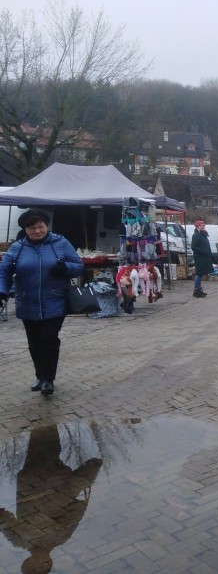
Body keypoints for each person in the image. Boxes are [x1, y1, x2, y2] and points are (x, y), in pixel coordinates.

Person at [0, 209, 84, 396]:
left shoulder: (60, 243)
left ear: (47, 226)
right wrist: (2, 291)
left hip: (55, 301)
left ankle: (48, 379)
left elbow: (79, 266)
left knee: (49, 339)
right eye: (32, 228)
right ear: (25, 229)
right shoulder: (17, 247)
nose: (37, 231)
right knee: (34, 342)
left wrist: (65, 268)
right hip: (27, 301)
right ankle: (40, 376)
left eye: (41, 227)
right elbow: (4, 271)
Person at [0, 424, 103, 573]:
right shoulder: (60, 537)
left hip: (34, 479)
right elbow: (77, 511)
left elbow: (4, 520)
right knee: (45, 448)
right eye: (41, 566)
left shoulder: (20, 541)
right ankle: (45, 422)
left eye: (34, 566)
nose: (38, 563)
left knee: (41, 449)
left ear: (27, 562)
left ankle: (45, 422)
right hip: (50, 479)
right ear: (48, 562)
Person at [190, 220, 214, 298]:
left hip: (204, 257)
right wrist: (203, 251)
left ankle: (199, 290)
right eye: (200, 225)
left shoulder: (203, 234)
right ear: (197, 226)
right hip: (199, 257)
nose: (202, 226)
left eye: (203, 225)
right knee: (199, 273)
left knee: (201, 273)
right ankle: (196, 291)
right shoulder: (196, 235)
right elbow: (194, 247)